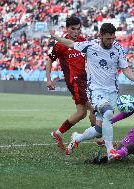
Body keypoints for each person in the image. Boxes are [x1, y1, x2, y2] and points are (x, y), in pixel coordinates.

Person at [50, 23, 134, 159]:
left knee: (100, 128)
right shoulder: (90, 46)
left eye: (113, 38)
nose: (111, 41)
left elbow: (125, 69)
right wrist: (56, 37)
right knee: (107, 113)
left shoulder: (118, 48)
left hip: (112, 91)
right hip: (95, 90)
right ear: (100, 36)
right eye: (108, 38)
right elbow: (70, 44)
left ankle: (77, 138)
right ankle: (110, 151)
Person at [47, 16, 96, 150]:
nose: (76, 32)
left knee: (81, 113)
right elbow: (50, 60)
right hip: (73, 81)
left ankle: (57, 133)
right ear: (67, 29)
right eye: (73, 29)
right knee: (94, 109)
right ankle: (99, 137)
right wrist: (49, 79)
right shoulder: (60, 44)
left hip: (84, 80)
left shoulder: (82, 41)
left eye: (78, 29)